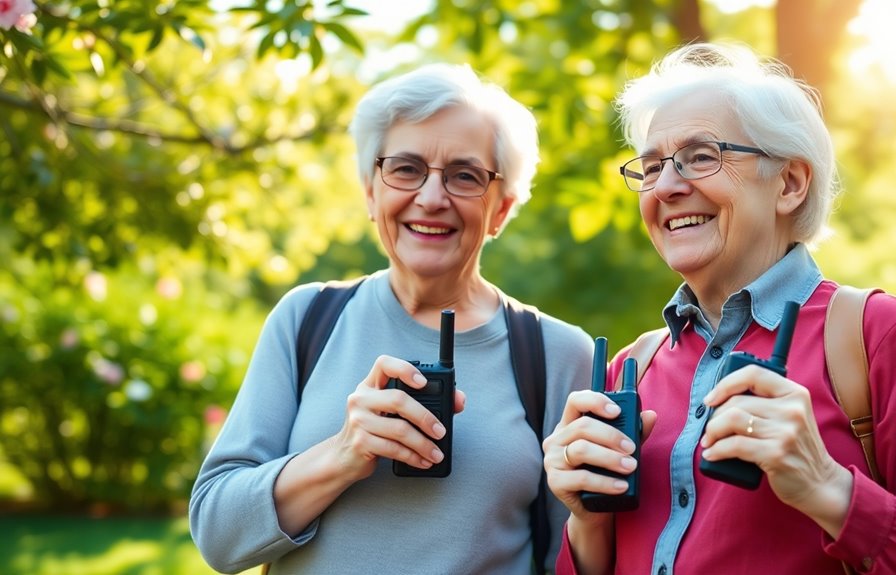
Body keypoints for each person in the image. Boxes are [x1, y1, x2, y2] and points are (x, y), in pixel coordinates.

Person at [542, 43, 896, 574]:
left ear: (788, 183)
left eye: (700, 156)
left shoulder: (877, 335)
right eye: (651, 168)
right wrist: (586, 521)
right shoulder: (631, 368)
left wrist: (825, 487)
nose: (666, 186)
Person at [189, 63, 594, 574]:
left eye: (464, 176)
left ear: (501, 210)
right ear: (369, 191)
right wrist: (341, 454)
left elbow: (584, 556)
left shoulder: (557, 355)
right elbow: (218, 537)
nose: (431, 197)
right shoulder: (306, 319)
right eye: (405, 168)